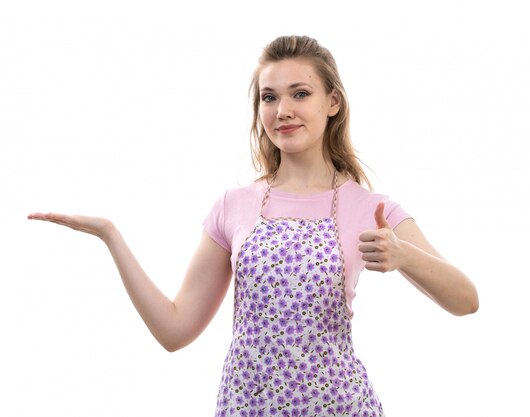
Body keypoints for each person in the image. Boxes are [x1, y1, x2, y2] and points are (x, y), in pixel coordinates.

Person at [28, 35, 478, 417]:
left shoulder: (369, 207)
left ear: (333, 102)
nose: (283, 109)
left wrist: (404, 256)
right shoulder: (233, 206)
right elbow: (175, 330)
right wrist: (111, 235)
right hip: (247, 406)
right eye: (270, 97)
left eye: (300, 93)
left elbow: (466, 300)